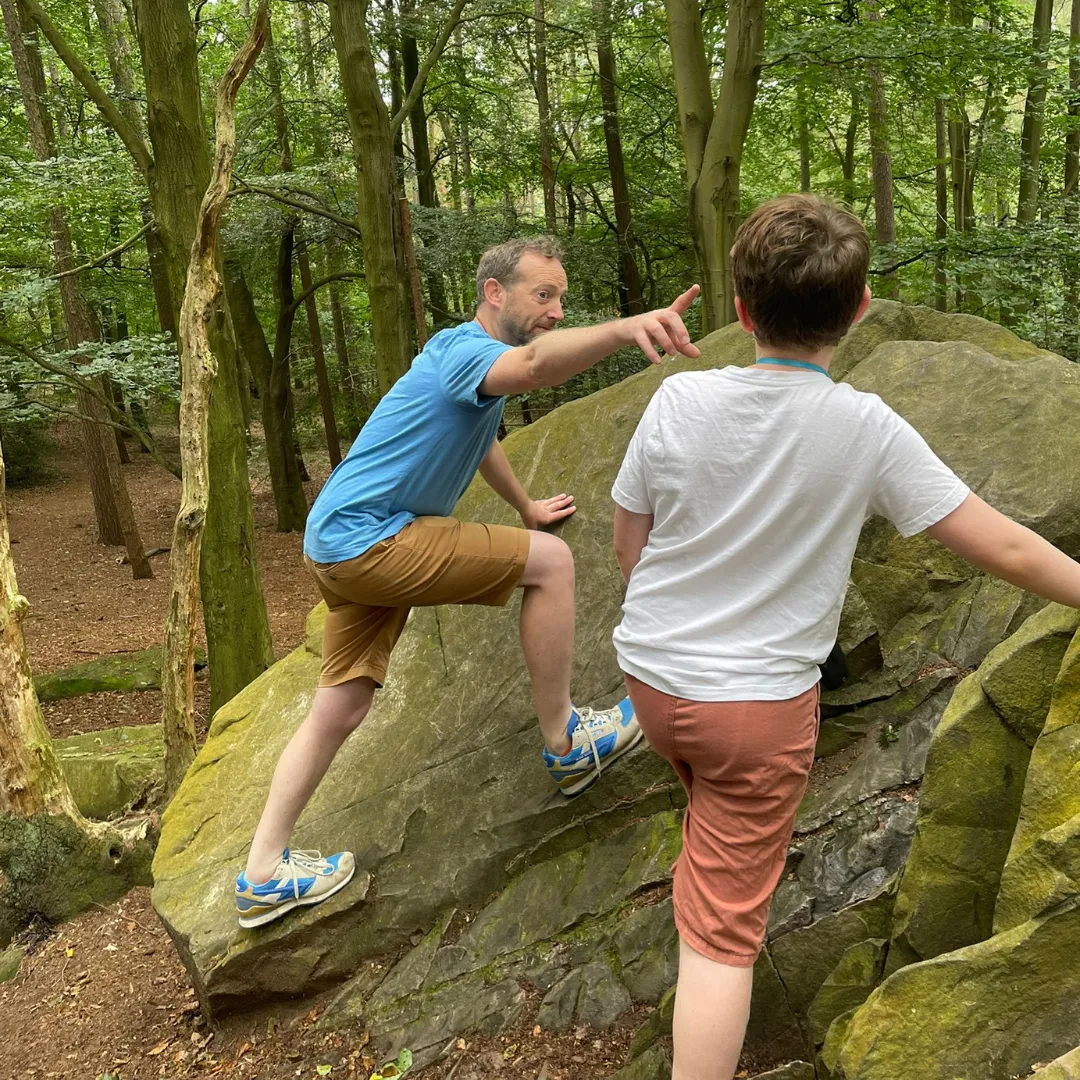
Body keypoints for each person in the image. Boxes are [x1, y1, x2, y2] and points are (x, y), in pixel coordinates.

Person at [609, 194, 1080, 1080]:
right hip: (755, 709)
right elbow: (1005, 545)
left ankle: (705, 876)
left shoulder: (677, 400)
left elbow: (629, 541)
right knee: (721, 941)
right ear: (859, 309)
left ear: (740, 311)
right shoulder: (863, 427)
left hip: (654, 680)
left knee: (710, 834)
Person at [234, 236, 703, 929]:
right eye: (544, 295)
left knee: (342, 704)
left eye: (560, 297)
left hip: (339, 542)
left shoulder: (461, 363)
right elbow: (538, 367)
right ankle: (568, 744)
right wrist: (627, 327)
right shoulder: (466, 353)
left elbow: (479, 434)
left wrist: (525, 507)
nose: (555, 309)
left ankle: (262, 872)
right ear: (495, 293)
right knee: (552, 565)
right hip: (372, 538)